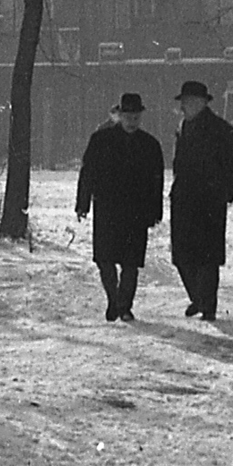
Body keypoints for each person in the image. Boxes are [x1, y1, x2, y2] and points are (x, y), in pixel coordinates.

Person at [76, 92, 164, 321]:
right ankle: (113, 300)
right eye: (128, 116)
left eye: (136, 117)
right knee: (104, 260)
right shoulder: (100, 140)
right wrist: (82, 203)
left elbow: (157, 181)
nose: (132, 121)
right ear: (119, 115)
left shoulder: (150, 145)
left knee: (130, 263)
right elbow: (88, 173)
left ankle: (124, 306)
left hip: (137, 212)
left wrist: (155, 211)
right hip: (107, 209)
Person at [169, 79, 233, 321]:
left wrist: (226, 193)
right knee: (182, 255)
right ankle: (198, 297)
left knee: (207, 257)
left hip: (209, 201)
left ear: (202, 103)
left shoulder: (220, 129)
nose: (185, 107)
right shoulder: (183, 127)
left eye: (190, 102)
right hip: (183, 199)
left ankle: (208, 305)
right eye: (184, 102)